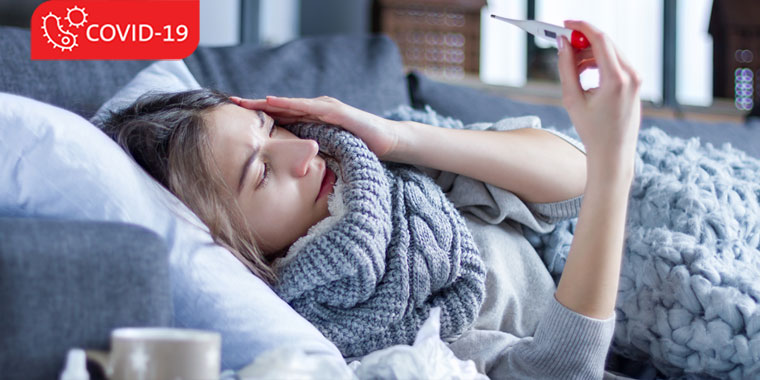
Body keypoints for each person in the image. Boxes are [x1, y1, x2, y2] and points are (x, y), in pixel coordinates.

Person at [102, 20, 641, 378]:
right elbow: (558, 372)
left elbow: (574, 177)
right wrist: (613, 163)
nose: (305, 150)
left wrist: (397, 137)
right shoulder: (361, 329)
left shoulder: (373, 167)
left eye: (271, 128)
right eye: (261, 172)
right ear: (225, 239)